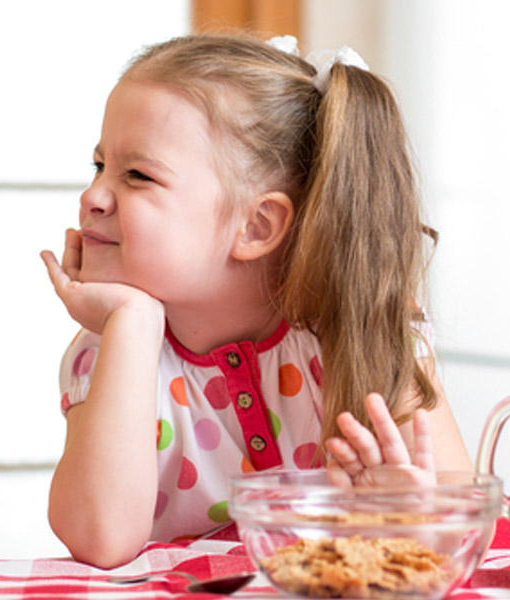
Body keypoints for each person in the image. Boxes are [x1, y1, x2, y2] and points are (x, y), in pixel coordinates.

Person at [40, 33, 472, 569]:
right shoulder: (112, 350)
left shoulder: (363, 333)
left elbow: (461, 522)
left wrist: (411, 515)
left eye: (137, 176)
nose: (93, 197)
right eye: (99, 166)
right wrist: (131, 322)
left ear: (257, 225)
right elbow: (98, 540)